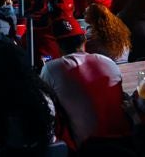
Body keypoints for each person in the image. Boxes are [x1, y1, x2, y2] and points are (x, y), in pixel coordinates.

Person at [40, 15, 132, 147]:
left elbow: (46, 110)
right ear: (84, 39)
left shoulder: (51, 69)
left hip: (87, 149)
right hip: (124, 143)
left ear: (57, 45)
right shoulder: (107, 61)